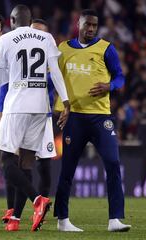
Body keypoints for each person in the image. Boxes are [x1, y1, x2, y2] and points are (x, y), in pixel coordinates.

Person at [53, 9, 131, 232]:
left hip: (100, 117)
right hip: (74, 117)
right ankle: (62, 220)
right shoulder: (64, 49)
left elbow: (120, 77)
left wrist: (110, 86)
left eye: (94, 26)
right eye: (87, 24)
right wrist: (60, 109)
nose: (91, 29)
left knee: (113, 163)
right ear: (78, 23)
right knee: (67, 169)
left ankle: (115, 219)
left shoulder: (106, 48)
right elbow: (56, 80)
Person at [0, 5, 70, 232]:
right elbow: (55, 72)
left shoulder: (6, 39)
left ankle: (37, 199)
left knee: (3, 159)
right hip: (41, 107)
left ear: (12, 19)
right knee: (26, 161)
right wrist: (66, 102)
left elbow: (0, 81)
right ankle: (15, 219)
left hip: (17, 105)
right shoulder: (46, 37)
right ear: (29, 20)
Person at [0, 18, 55, 223]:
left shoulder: (49, 55)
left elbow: (3, 83)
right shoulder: (23, 50)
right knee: (21, 163)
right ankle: (15, 216)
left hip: (38, 114)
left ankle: (34, 205)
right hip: (30, 111)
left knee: (38, 166)